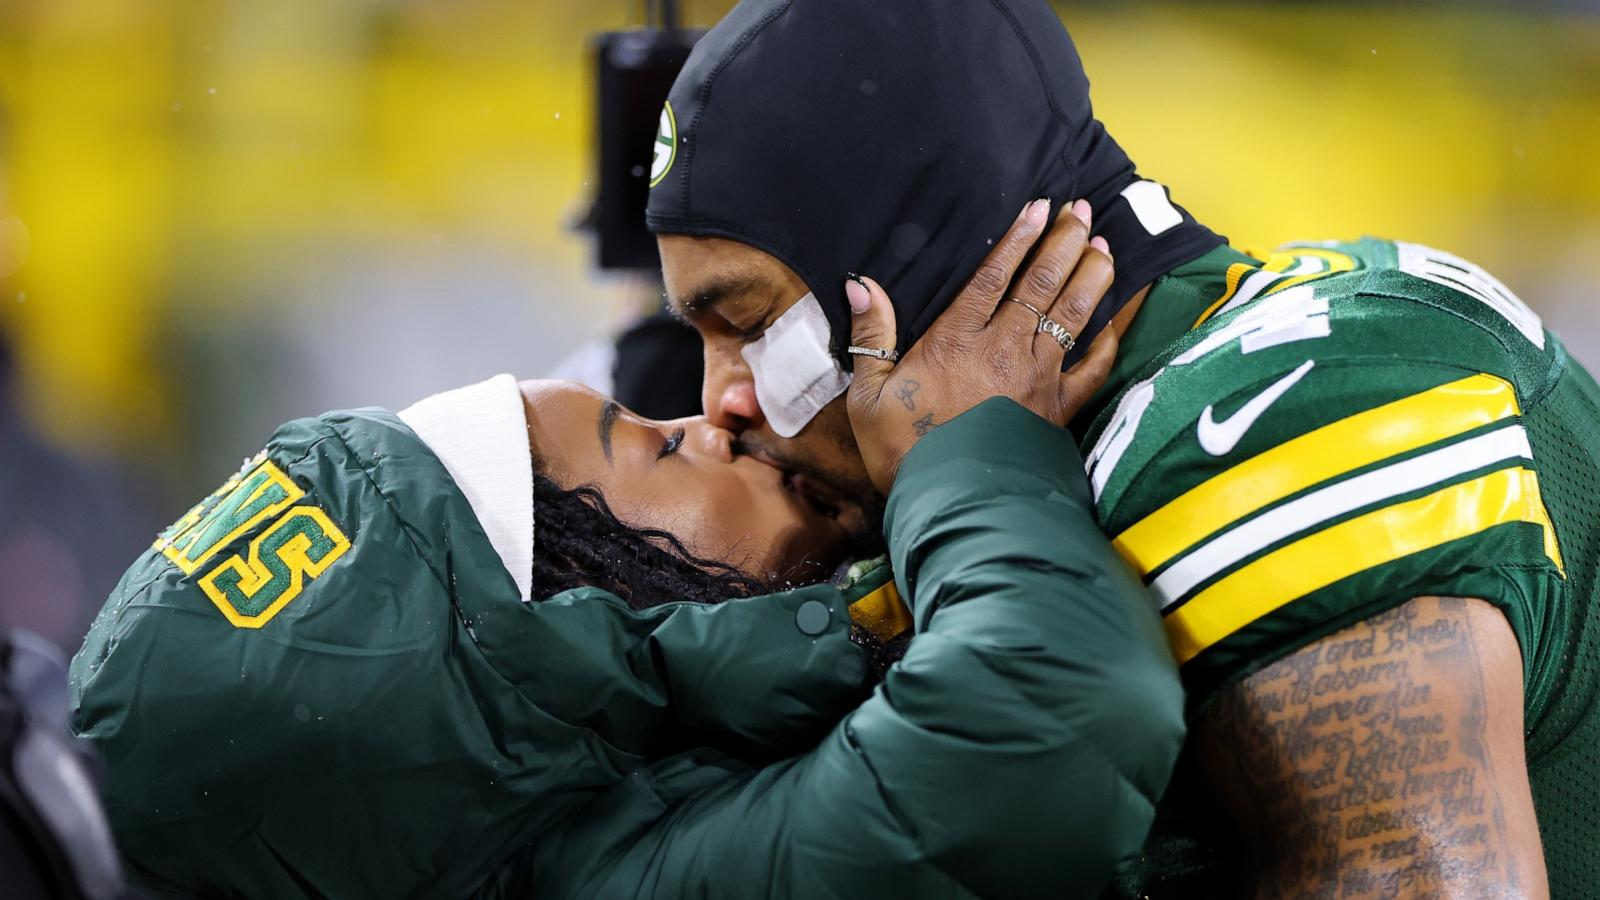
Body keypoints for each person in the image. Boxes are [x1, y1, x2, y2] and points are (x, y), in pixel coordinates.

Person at [647, 1, 1596, 896]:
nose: (719, 402)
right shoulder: (1250, 341)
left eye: (749, 322)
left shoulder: (1277, 424)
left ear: (914, 266)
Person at [69, 220, 1185, 898]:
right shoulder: (624, 875)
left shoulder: (602, 822)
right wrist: (971, 452)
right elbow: (1050, 705)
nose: (717, 420)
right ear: (560, 619)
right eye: (649, 443)